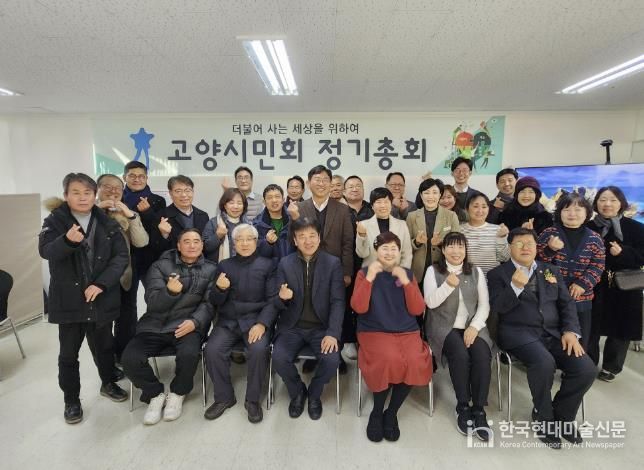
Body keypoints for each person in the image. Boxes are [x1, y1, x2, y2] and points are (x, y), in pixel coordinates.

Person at [487, 228, 596, 448]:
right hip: (517, 332)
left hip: (554, 333)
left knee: (586, 368)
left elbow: (566, 304)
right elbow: (497, 308)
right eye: (519, 243)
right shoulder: (497, 274)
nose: (525, 247)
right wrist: (515, 287)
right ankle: (544, 417)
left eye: (530, 243)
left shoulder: (550, 270)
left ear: (537, 247)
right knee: (544, 363)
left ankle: (563, 416)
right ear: (510, 247)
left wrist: (570, 331)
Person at [39, 173, 129, 424]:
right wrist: (67, 241)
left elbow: (121, 257)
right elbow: (46, 251)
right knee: (68, 354)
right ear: (66, 196)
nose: (82, 198)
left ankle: (108, 383)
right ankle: (71, 400)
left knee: (104, 347)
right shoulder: (55, 222)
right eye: (76, 193)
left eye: (87, 193)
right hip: (70, 300)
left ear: (94, 195)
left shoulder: (108, 222)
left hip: (101, 297)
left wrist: (101, 284)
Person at [121, 228, 216, 425]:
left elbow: (209, 304)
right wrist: (170, 292)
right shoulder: (160, 266)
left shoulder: (211, 269)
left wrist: (195, 322)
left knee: (189, 355)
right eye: (186, 241)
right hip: (153, 324)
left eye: (196, 241)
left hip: (187, 325)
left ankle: (178, 393)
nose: (192, 245)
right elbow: (152, 301)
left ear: (202, 245)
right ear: (178, 245)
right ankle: (154, 394)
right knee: (129, 359)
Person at [351, 232, 431, 442]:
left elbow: (417, 309)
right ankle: (377, 412)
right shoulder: (364, 273)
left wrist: (406, 282)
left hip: (407, 330)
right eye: (384, 248)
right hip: (374, 330)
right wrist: (369, 278)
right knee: (387, 359)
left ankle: (392, 412)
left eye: (393, 248)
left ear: (399, 251)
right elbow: (358, 307)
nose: (389, 252)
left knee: (415, 361)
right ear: (376, 251)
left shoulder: (407, 274)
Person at [271, 218, 344, 420]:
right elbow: (276, 302)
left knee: (332, 359)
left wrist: (332, 333)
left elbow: (338, 302)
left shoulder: (333, 263)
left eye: (312, 235)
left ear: (319, 238)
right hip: (292, 327)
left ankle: (314, 393)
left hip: (321, 327)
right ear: (295, 241)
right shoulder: (285, 264)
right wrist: (281, 298)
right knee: (278, 358)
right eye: (302, 236)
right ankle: (297, 392)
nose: (308, 241)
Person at [204, 224, 278, 423]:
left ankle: (252, 400)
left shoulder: (268, 265)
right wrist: (219, 289)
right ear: (234, 243)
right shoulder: (224, 265)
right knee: (212, 349)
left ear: (256, 242)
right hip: (229, 321)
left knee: (259, 349)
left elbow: (273, 301)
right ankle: (224, 397)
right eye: (239, 239)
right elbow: (215, 301)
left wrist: (262, 324)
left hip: (256, 321)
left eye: (249, 239)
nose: (244, 243)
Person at [424, 232, 494, 441]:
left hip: (473, 325)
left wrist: (474, 327)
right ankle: (462, 406)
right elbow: (430, 303)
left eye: (461, 247)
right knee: (460, 355)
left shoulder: (476, 271)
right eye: (451, 247)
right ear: (443, 250)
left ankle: (479, 409)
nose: (456, 251)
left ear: (466, 250)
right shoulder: (433, 270)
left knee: (482, 355)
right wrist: (448, 285)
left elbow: (484, 305)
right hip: (443, 326)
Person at [289, 165, 354, 374]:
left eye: (325, 179)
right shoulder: (299, 208)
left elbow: (348, 242)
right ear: (309, 183)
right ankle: (315, 355)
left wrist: (347, 272)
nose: (321, 183)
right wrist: (293, 218)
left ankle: (336, 352)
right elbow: (292, 240)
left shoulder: (342, 209)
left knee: (336, 310)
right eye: (317, 179)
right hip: (307, 268)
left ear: (331, 183)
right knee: (313, 308)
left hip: (334, 270)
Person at [587, 186, 644, 382]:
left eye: (613, 200)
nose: (607, 204)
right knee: (591, 327)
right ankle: (588, 364)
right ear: (596, 203)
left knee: (621, 329)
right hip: (595, 284)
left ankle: (611, 367)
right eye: (603, 199)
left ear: (621, 203)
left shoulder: (635, 228)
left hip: (625, 286)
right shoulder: (588, 227)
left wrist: (623, 253)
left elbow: (642, 256)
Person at [537, 192, 605, 348]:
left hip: (582, 298)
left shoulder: (595, 238)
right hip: (552, 297)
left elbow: (598, 265)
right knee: (551, 340)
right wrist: (550, 250)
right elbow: (538, 263)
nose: (572, 214)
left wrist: (583, 284)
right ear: (559, 212)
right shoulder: (548, 234)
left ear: (587, 213)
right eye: (566, 209)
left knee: (580, 342)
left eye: (578, 210)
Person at [96, 174, 149, 366]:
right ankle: (107, 364)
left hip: (125, 274)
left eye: (117, 188)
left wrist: (131, 216)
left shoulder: (129, 212)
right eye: (107, 187)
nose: (113, 191)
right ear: (97, 189)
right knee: (102, 323)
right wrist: (96, 210)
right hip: (98, 278)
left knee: (127, 317)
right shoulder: (88, 213)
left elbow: (141, 242)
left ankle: (124, 357)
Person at [342, 175, 374, 362]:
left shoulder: (372, 209)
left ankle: (366, 338)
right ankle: (348, 340)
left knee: (367, 303)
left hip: (368, 264)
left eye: (358, 186)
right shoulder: (339, 210)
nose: (355, 189)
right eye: (351, 186)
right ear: (344, 191)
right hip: (345, 264)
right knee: (346, 303)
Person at [122, 161, 166, 289]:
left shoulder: (158, 200)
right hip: (126, 256)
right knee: (128, 296)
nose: (137, 180)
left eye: (141, 176)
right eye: (132, 176)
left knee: (154, 294)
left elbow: (160, 229)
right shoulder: (119, 200)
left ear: (146, 178)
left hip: (150, 256)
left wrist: (147, 212)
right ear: (124, 177)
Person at [407, 178, 460, 284]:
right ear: (421, 195)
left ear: (440, 194)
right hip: (418, 271)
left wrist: (440, 244)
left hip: (443, 270)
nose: (430, 196)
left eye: (435, 192)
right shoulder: (412, 216)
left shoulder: (451, 216)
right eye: (426, 193)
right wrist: (416, 242)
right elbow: (405, 246)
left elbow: (457, 245)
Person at [151, 175, 209, 259]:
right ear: (170, 193)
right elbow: (155, 249)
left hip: (198, 263)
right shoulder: (161, 216)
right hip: (172, 263)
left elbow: (206, 246)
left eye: (188, 190)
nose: (184, 195)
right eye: (178, 191)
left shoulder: (203, 216)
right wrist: (164, 235)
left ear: (193, 192)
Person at [356, 187, 412, 268]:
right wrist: (362, 236)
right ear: (372, 206)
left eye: (386, 202)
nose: (382, 205)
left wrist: (401, 273)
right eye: (378, 202)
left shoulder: (402, 225)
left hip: (396, 273)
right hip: (371, 272)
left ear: (391, 204)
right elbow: (362, 254)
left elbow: (406, 254)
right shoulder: (364, 225)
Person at [460, 191, 510, 275]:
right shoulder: (459, 230)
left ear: (488, 209)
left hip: (492, 279)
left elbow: (504, 258)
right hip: (468, 278)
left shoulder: (498, 230)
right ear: (467, 209)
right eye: (475, 206)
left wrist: (501, 238)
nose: (480, 210)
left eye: (484, 207)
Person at [253, 184, 295, 266]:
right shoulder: (257, 224)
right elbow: (255, 252)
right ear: (264, 202)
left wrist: (297, 219)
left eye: (277, 196)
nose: (274, 200)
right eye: (269, 198)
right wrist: (266, 242)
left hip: (291, 267)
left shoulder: (293, 219)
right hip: (268, 269)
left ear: (283, 200)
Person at [203, 188, 248, 263]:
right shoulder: (214, 223)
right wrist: (218, 236)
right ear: (224, 205)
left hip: (244, 266)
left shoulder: (248, 225)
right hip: (218, 267)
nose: (235, 206)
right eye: (231, 203)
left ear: (244, 206)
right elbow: (204, 248)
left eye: (239, 203)